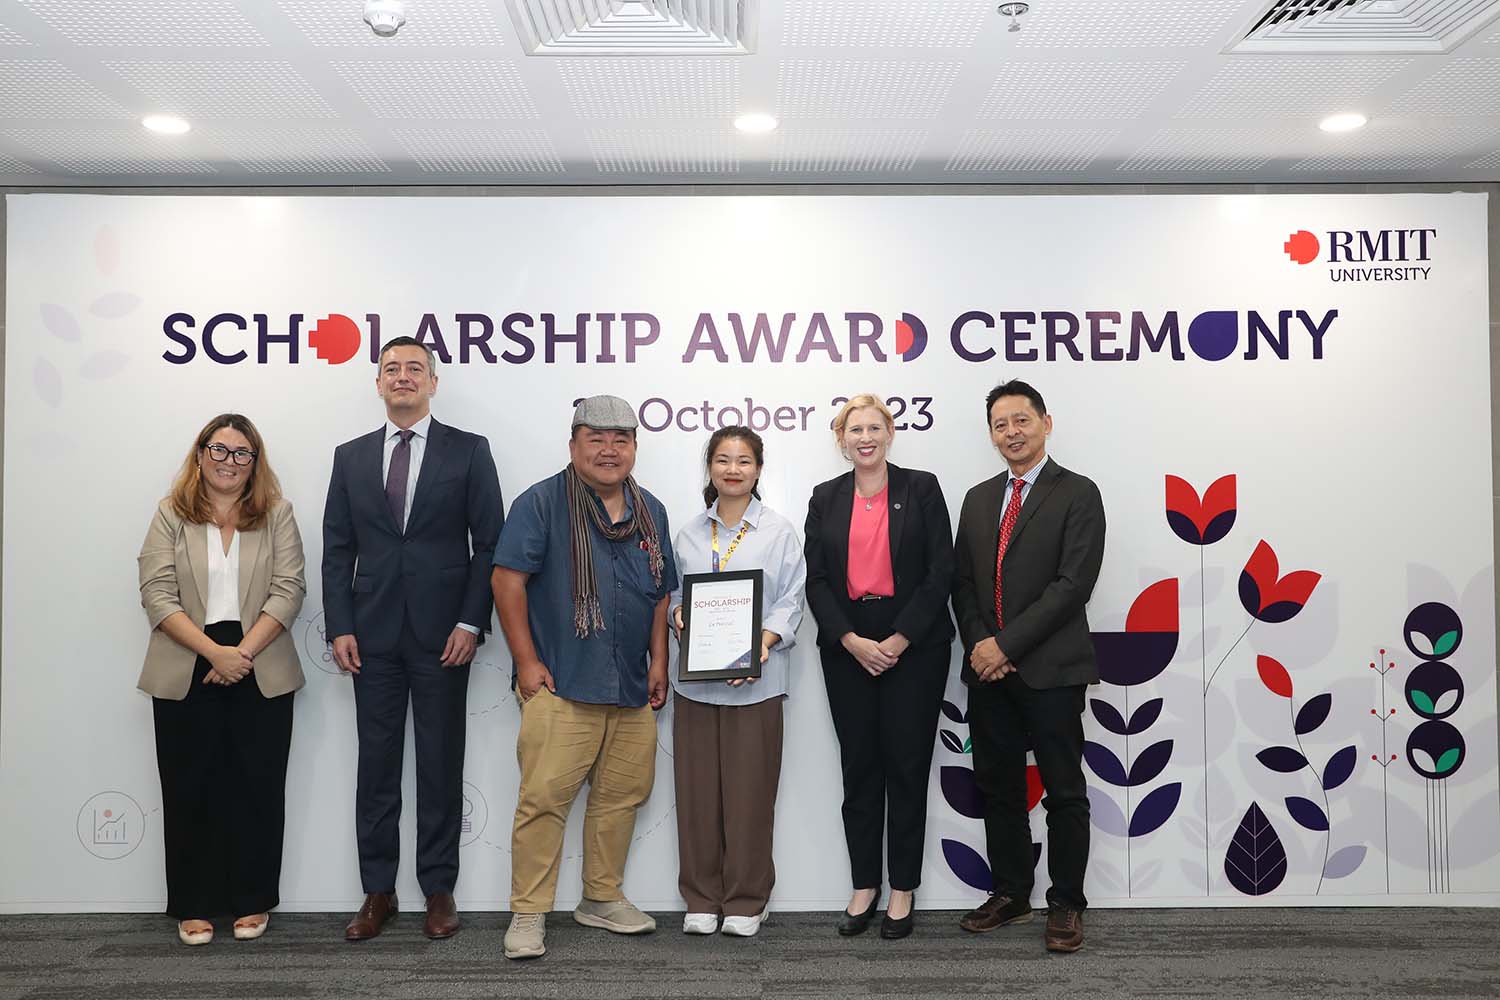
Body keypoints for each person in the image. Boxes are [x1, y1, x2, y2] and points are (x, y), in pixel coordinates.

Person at [322, 336, 504, 942]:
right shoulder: (350, 457)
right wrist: (340, 624)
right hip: (370, 637)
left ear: (433, 382)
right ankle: (378, 890)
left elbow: (490, 545)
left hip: (444, 637)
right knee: (375, 767)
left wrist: (470, 622)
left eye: (414, 369)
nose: (402, 376)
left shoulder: (469, 450)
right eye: (391, 368)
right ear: (378, 383)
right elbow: (337, 549)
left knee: (439, 764)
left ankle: (438, 889)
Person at [492, 395, 676, 961]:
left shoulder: (650, 510)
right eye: (596, 438)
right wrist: (527, 662)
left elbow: (659, 593)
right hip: (562, 681)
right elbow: (506, 581)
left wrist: (660, 662)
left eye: (621, 440)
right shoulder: (542, 503)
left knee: (622, 797)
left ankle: (601, 897)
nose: (608, 450)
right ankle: (529, 911)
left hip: (630, 685)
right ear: (573, 445)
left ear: (635, 448)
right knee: (544, 799)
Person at [137, 413, 306, 946]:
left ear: (254, 462)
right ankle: (193, 902)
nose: (229, 461)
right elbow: (156, 593)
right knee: (190, 787)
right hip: (188, 660)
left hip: (261, 661)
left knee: (257, 788)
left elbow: (290, 589)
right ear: (200, 454)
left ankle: (252, 899)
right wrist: (215, 653)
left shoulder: (277, 514)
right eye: (219, 449)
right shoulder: (171, 513)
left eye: (241, 453)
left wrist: (241, 653)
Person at [951, 379, 1105, 953]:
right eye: (1000, 424)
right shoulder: (977, 498)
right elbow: (963, 584)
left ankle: (1066, 903)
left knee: (1064, 791)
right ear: (991, 434)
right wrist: (980, 644)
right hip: (988, 672)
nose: (1011, 432)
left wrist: (1005, 647)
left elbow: (1072, 585)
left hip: (1051, 670)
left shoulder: (1078, 492)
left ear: (1046, 422)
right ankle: (1012, 892)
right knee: (1000, 789)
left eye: (1021, 420)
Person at [803, 394, 955, 940]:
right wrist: (850, 640)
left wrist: (898, 638)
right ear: (841, 439)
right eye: (854, 429)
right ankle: (864, 884)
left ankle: (903, 888)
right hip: (847, 645)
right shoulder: (825, 497)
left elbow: (941, 571)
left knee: (907, 768)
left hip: (915, 644)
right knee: (860, 768)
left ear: (890, 433)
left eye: (874, 427)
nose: (864, 437)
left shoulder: (922, 488)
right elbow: (816, 579)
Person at [668, 426, 806, 938]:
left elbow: (791, 600)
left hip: (757, 682)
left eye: (744, 461)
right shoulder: (688, 534)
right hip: (696, 687)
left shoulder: (779, 532)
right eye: (723, 459)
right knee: (697, 797)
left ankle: (748, 899)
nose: (733, 469)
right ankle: (702, 897)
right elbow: (675, 598)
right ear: (709, 467)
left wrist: (761, 645)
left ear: (758, 470)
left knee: (749, 796)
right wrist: (680, 617)